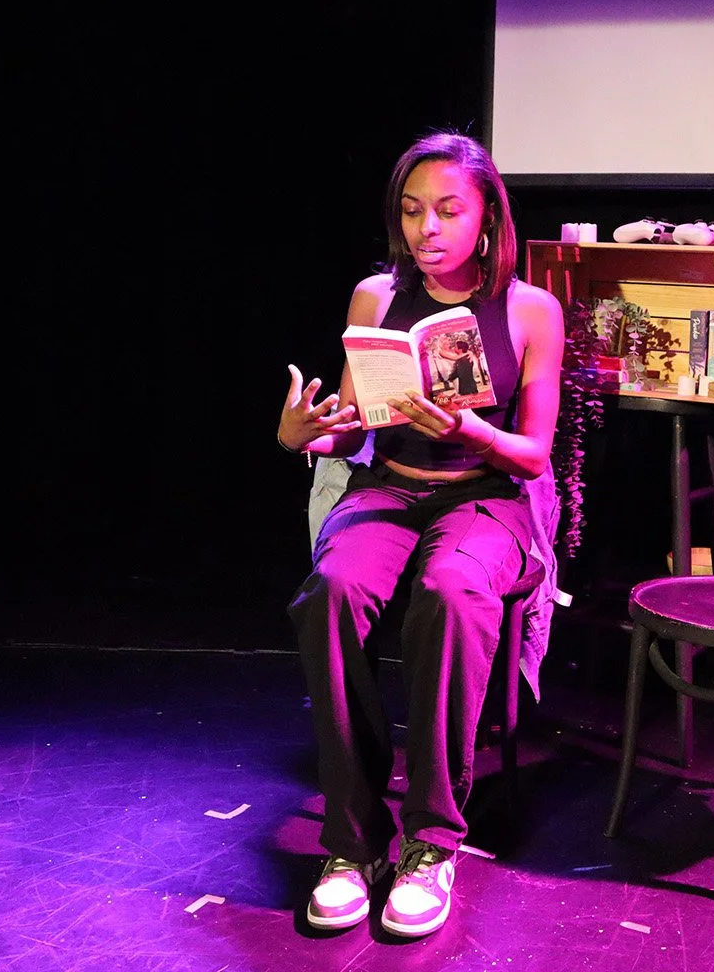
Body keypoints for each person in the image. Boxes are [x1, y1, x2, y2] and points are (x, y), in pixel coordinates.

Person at [276, 132, 564, 937]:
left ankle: (431, 843)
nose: (426, 229)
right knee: (330, 590)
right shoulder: (375, 298)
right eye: (411, 212)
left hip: (485, 496)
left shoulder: (530, 310)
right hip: (389, 488)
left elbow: (535, 456)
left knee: (452, 590)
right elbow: (352, 425)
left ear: (487, 218)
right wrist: (307, 432)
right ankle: (353, 843)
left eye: (446, 211)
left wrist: (474, 433)